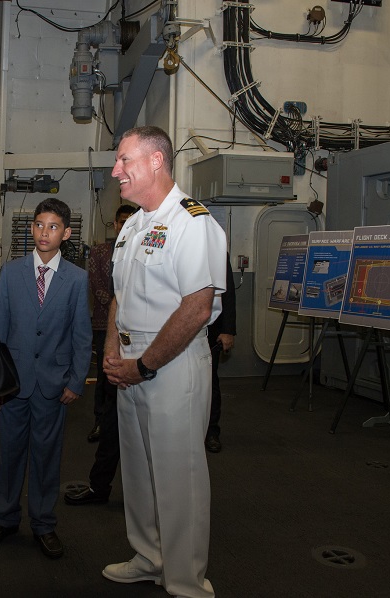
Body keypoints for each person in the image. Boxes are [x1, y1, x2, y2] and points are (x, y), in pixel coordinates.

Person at [102, 126, 227, 598]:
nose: (116, 171)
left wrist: (144, 365)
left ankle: (186, 581)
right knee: (137, 470)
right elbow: (119, 296)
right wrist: (114, 350)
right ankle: (149, 557)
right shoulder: (134, 225)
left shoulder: (191, 222)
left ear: (156, 161)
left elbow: (196, 309)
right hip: (132, 364)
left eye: (124, 160)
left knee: (180, 476)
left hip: (172, 366)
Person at [0, 198, 91, 559]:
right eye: (39, 225)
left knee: (46, 457)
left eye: (53, 226)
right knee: (9, 455)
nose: (45, 233)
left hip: (52, 385)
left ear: (66, 233)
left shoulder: (76, 279)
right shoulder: (11, 273)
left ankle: (43, 523)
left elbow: (82, 335)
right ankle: (6, 517)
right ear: (31, 229)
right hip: (14, 385)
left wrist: (76, 381)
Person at [63, 204, 136, 507]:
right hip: (115, 343)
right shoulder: (107, 252)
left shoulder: (148, 249)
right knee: (110, 423)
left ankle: (148, 499)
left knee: (145, 436)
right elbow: (111, 295)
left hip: (147, 357)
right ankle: (99, 486)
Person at [86, 204, 137, 444]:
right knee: (105, 375)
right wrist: (121, 307)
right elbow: (97, 287)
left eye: (130, 222)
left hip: (134, 327)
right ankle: (101, 421)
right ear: (116, 225)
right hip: (103, 324)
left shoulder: (140, 252)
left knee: (131, 374)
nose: (125, 226)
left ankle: (127, 425)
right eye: (122, 222)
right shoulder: (99, 252)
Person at [205, 257, 237, 453]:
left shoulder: (215, 248)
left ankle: (211, 431)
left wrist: (228, 330)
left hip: (211, 329)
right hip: (178, 329)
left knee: (209, 381)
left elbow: (228, 293)